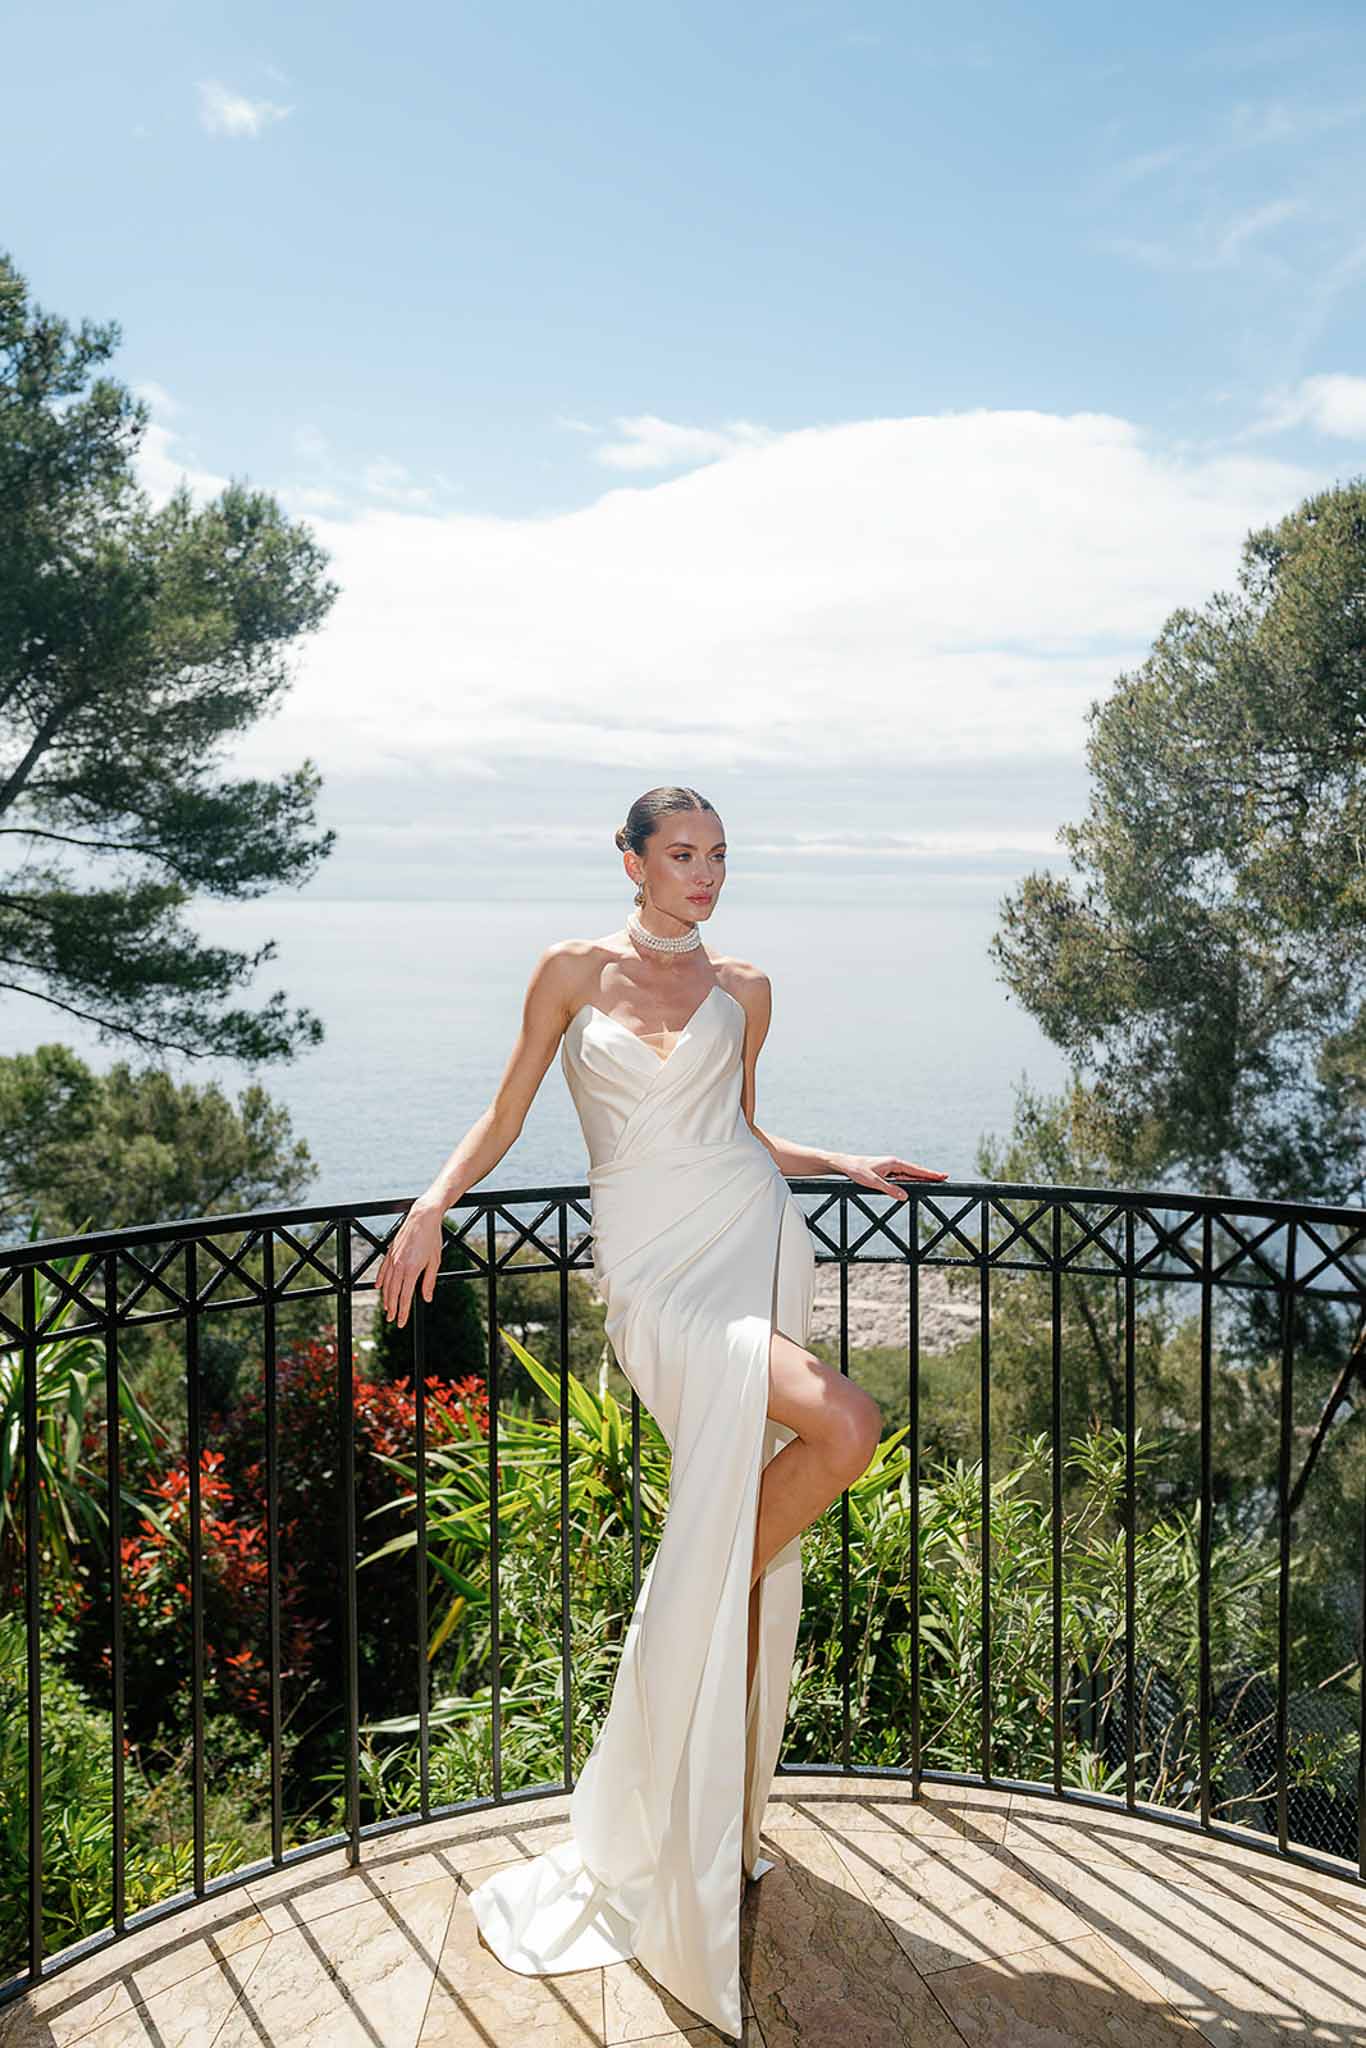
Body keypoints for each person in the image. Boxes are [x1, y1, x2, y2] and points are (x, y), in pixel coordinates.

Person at [374, 783, 948, 2041]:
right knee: (841, 1425)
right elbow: (508, 1108)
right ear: (629, 860)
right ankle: (695, 1612)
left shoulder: (747, 986)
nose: (706, 873)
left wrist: (841, 1159)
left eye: (720, 855)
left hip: (747, 1231)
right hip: (651, 1270)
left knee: (832, 1430)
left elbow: (737, 1128)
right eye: (682, 853)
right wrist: (431, 1202)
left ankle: (694, 1621)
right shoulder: (569, 970)